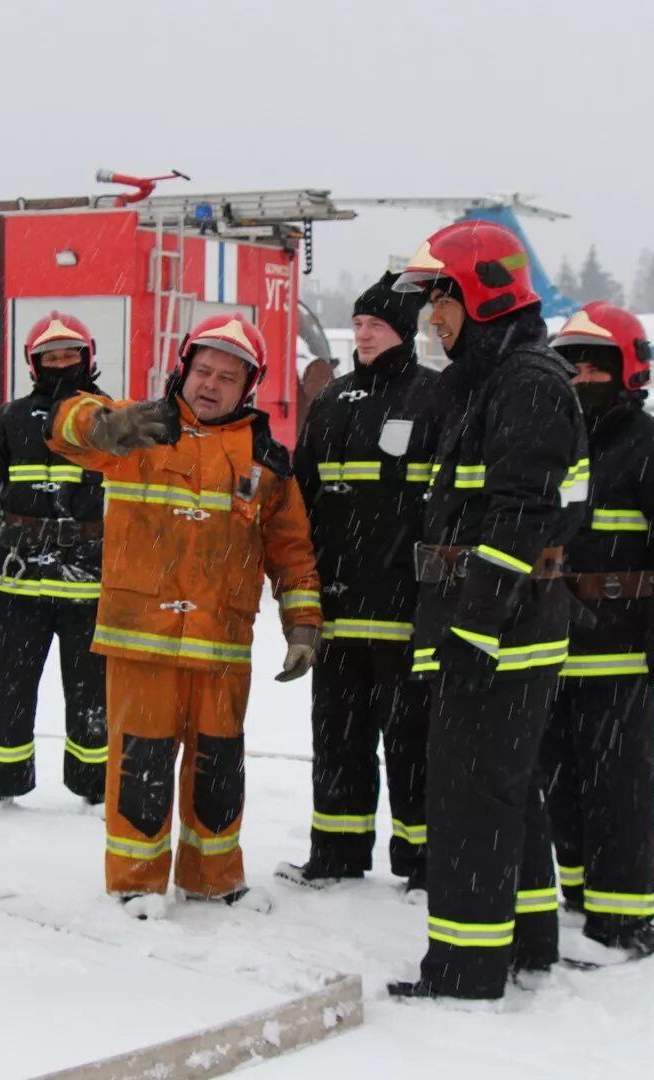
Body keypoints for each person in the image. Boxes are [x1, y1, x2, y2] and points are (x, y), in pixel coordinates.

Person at [47, 313, 323, 918]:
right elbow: (64, 427)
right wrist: (107, 424)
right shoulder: (139, 432)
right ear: (184, 368)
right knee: (140, 767)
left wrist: (303, 623)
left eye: (228, 376)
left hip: (222, 644)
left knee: (218, 772)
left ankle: (213, 880)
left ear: (248, 387)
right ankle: (135, 887)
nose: (210, 384)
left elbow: (292, 549)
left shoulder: (268, 460)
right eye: (203, 370)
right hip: (141, 636)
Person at [384, 220, 590, 1001]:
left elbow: (519, 522)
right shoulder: (492, 381)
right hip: (497, 624)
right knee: (508, 791)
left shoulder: (526, 386)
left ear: (479, 295)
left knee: (469, 798)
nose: (430, 319)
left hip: (497, 630)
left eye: (439, 299)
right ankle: (530, 939)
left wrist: (472, 628)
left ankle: (467, 969)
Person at [541, 300, 654, 960]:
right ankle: (582, 895)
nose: (582, 374)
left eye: (596, 362)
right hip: (549, 651)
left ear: (629, 370)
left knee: (618, 788)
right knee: (558, 782)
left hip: (619, 656)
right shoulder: (548, 446)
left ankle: (625, 920)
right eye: (571, 363)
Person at [278, 271, 438, 893]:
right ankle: (337, 854)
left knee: (411, 744)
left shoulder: (435, 397)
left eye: (376, 324)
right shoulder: (333, 399)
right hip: (340, 612)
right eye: (360, 323)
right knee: (338, 740)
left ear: (404, 330)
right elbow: (302, 499)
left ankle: (421, 861)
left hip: (406, 612)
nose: (364, 333)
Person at [0, 311, 109, 809]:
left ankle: (96, 788)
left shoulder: (110, 419)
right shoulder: (8, 420)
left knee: (94, 694)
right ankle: (0, 786)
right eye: (50, 357)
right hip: (21, 580)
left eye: (69, 355)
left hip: (91, 584)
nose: (60, 364)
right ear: (33, 364)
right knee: (6, 689)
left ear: (88, 358)